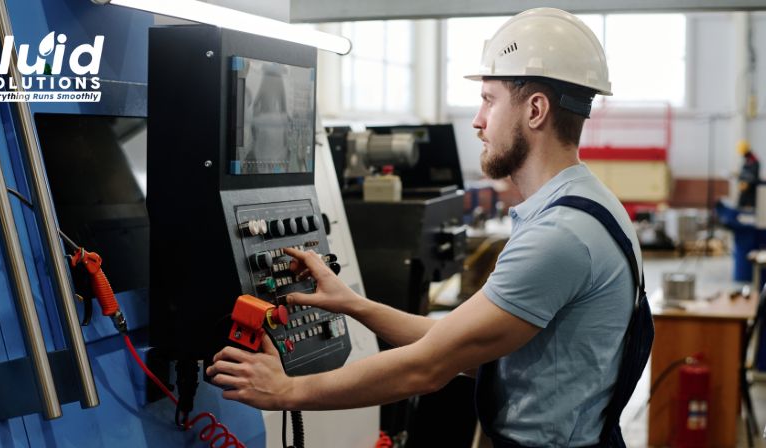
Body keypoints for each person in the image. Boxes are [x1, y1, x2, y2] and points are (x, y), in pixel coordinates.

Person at [206, 8, 646, 446]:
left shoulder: (560, 235)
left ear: (535, 110)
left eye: (489, 99)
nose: (477, 120)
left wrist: (288, 391)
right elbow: (458, 341)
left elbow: (428, 367)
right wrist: (353, 304)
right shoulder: (588, 206)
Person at [737, 140, 760, 208]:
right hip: (745, 188)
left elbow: (753, 176)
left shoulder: (753, 161)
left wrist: (741, 176)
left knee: (748, 208)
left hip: (750, 190)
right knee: (740, 205)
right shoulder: (748, 160)